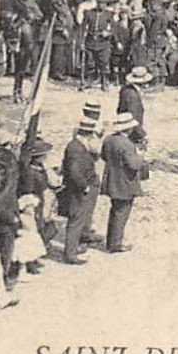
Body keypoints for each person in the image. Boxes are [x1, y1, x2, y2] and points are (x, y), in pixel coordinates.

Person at [59, 106, 102, 264]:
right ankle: (70, 254)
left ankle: (74, 247)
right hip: (78, 190)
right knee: (76, 220)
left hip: (82, 187)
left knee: (80, 218)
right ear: (88, 134)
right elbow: (74, 172)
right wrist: (85, 187)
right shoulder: (76, 149)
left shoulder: (77, 145)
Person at [100, 112, 144, 254]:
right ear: (129, 129)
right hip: (124, 183)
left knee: (115, 211)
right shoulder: (127, 145)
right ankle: (115, 244)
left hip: (112, 179)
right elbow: (134, 165)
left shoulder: (108, 140)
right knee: (122, 212)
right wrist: (141, 156)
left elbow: (103, 156)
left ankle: (111, 240)